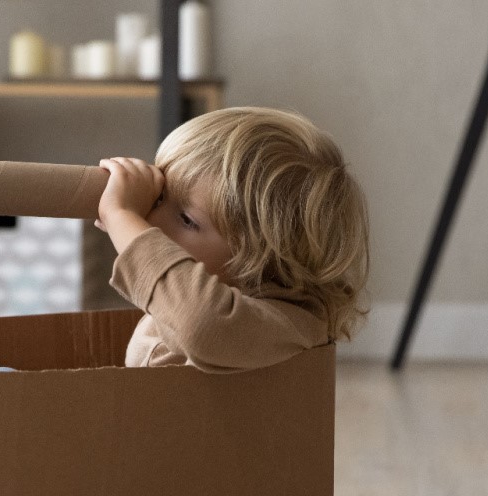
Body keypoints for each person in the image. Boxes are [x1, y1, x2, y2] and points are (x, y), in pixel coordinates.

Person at [95, 106, 369, 373]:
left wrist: (121, 216)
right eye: (160, 197)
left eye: (187, 220)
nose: (151, 221)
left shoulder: (282, 324)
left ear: (264, 260)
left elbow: (202, 325)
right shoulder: (185, 300)